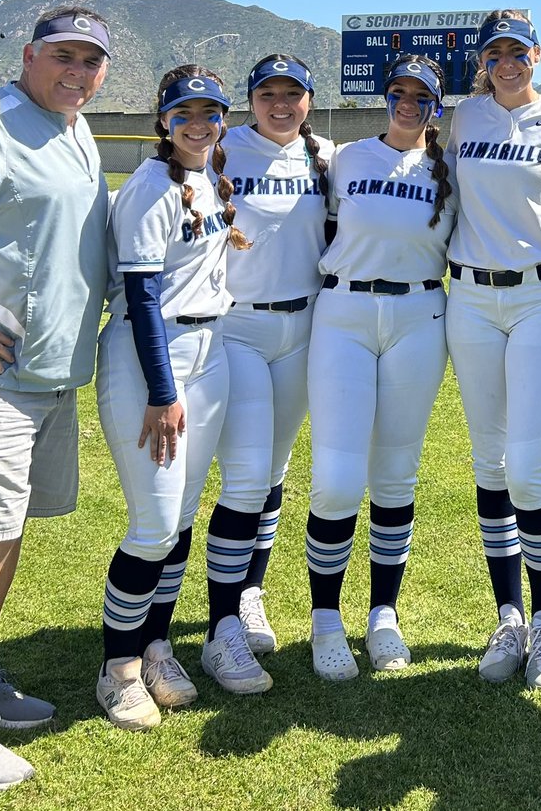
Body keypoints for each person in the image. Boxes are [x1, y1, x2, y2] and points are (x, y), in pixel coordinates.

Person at [0, 7, 111, 792]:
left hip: (51, 378)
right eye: (64, 56)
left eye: (92, 60)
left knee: (4, 535)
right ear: (29, 54)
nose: (78, 72)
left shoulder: (74, 128)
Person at [95, 66, 265, 732]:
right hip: (152, 355)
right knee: (153, 525)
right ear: (162, 118)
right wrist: (162, 394)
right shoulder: (147, 185)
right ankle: (118, 668)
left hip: (209, 351)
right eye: (184, 111)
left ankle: (156, 644)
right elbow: (139, 292)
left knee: (183, 517)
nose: (199, 122)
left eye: (211, 111)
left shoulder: (206, 175)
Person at [443, 10, 541, 689]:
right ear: (485, 59)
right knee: (488, 460)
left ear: (538, 54)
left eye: (519, 51)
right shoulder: (464, 118)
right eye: (496, 52)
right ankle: (507, 615)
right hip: (472, 296)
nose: (508, 61)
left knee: (530, 468)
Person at [304, 55, 455, 679]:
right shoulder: (345, 158)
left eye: (422, 96)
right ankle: (325, 621)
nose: (408, 104)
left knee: (395, 476)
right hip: (344, 313)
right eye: (399, 92)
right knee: (337, 478)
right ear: (385, 96)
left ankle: (383, 615)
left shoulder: (452, 171)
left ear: (437, 108)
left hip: (420, 315)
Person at [212, 55, 332, 655]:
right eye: (267, 95)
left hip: (304, 328)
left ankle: (249, 592)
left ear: (309, 99)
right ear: (250, 99)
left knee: (276, 469)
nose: (280, 105)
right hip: (238, 327)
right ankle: (223, 615)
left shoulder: (326, 157)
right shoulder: (223, 148)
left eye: (293, 93)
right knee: (246, 473)